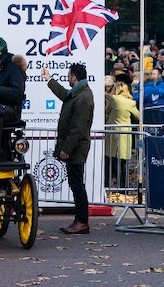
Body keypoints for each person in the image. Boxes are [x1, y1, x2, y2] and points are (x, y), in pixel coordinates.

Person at [41, 63, 94, 235]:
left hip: (76, 148)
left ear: (74, 77)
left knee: (77, 184)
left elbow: (78, 128)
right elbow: (64, 94)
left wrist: (67, 149)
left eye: (69, 75)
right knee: (75, 183)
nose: (67, 78)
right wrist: (49, 79)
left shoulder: (83, 97)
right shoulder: (77, 93)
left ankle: (82, 221)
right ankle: (79, 220)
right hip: (75, 147)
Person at [104, 78, 137, 186]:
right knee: (124, 161)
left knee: (110, 159)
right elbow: (138, 116)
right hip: (125, 133)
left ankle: (107, 184)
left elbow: (106, 111)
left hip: (112, 131)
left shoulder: (113, 99)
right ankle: (124, 185)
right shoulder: (131, 102)